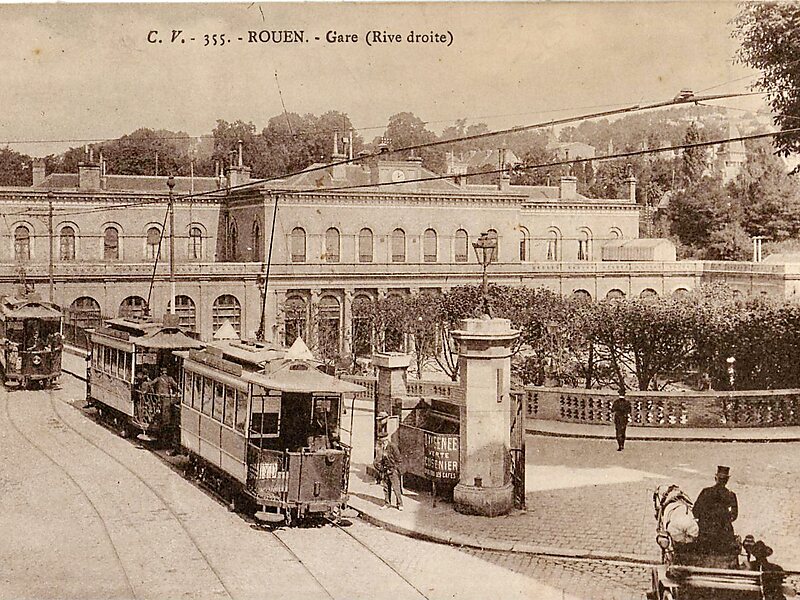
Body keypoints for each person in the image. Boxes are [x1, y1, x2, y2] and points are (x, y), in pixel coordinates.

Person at [692, 465, 738, 554]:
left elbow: (695, 511)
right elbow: (734, 516)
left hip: (704, 534)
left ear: (715, 478)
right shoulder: (731, 495)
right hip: (724, 536)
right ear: (727, 481)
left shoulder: (705, 491)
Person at [373, 432, 403, 511]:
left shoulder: (392, 446)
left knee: (396, 488)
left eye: (382, 439)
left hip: (393, 470)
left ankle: (400, 504)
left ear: (386, 439)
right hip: (385, 470)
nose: (380, 441)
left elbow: (399, 460)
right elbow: (379, 459)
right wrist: (381, 469)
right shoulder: (380, 447)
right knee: (386, 488)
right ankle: (387, 503)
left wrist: (394, 469)